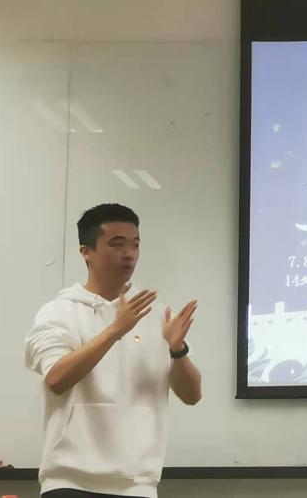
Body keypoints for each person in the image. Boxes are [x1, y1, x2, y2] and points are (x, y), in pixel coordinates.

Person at [25, 204, 202, 498]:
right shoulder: (59, 312)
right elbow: (56, 379)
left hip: (138, 484)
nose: (129, 254)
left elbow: (192, 395)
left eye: (135, 244)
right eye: (117, 244)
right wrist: (115, 330)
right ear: (86, 252)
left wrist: (177, 350)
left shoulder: (156, 315)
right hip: (69, 482)